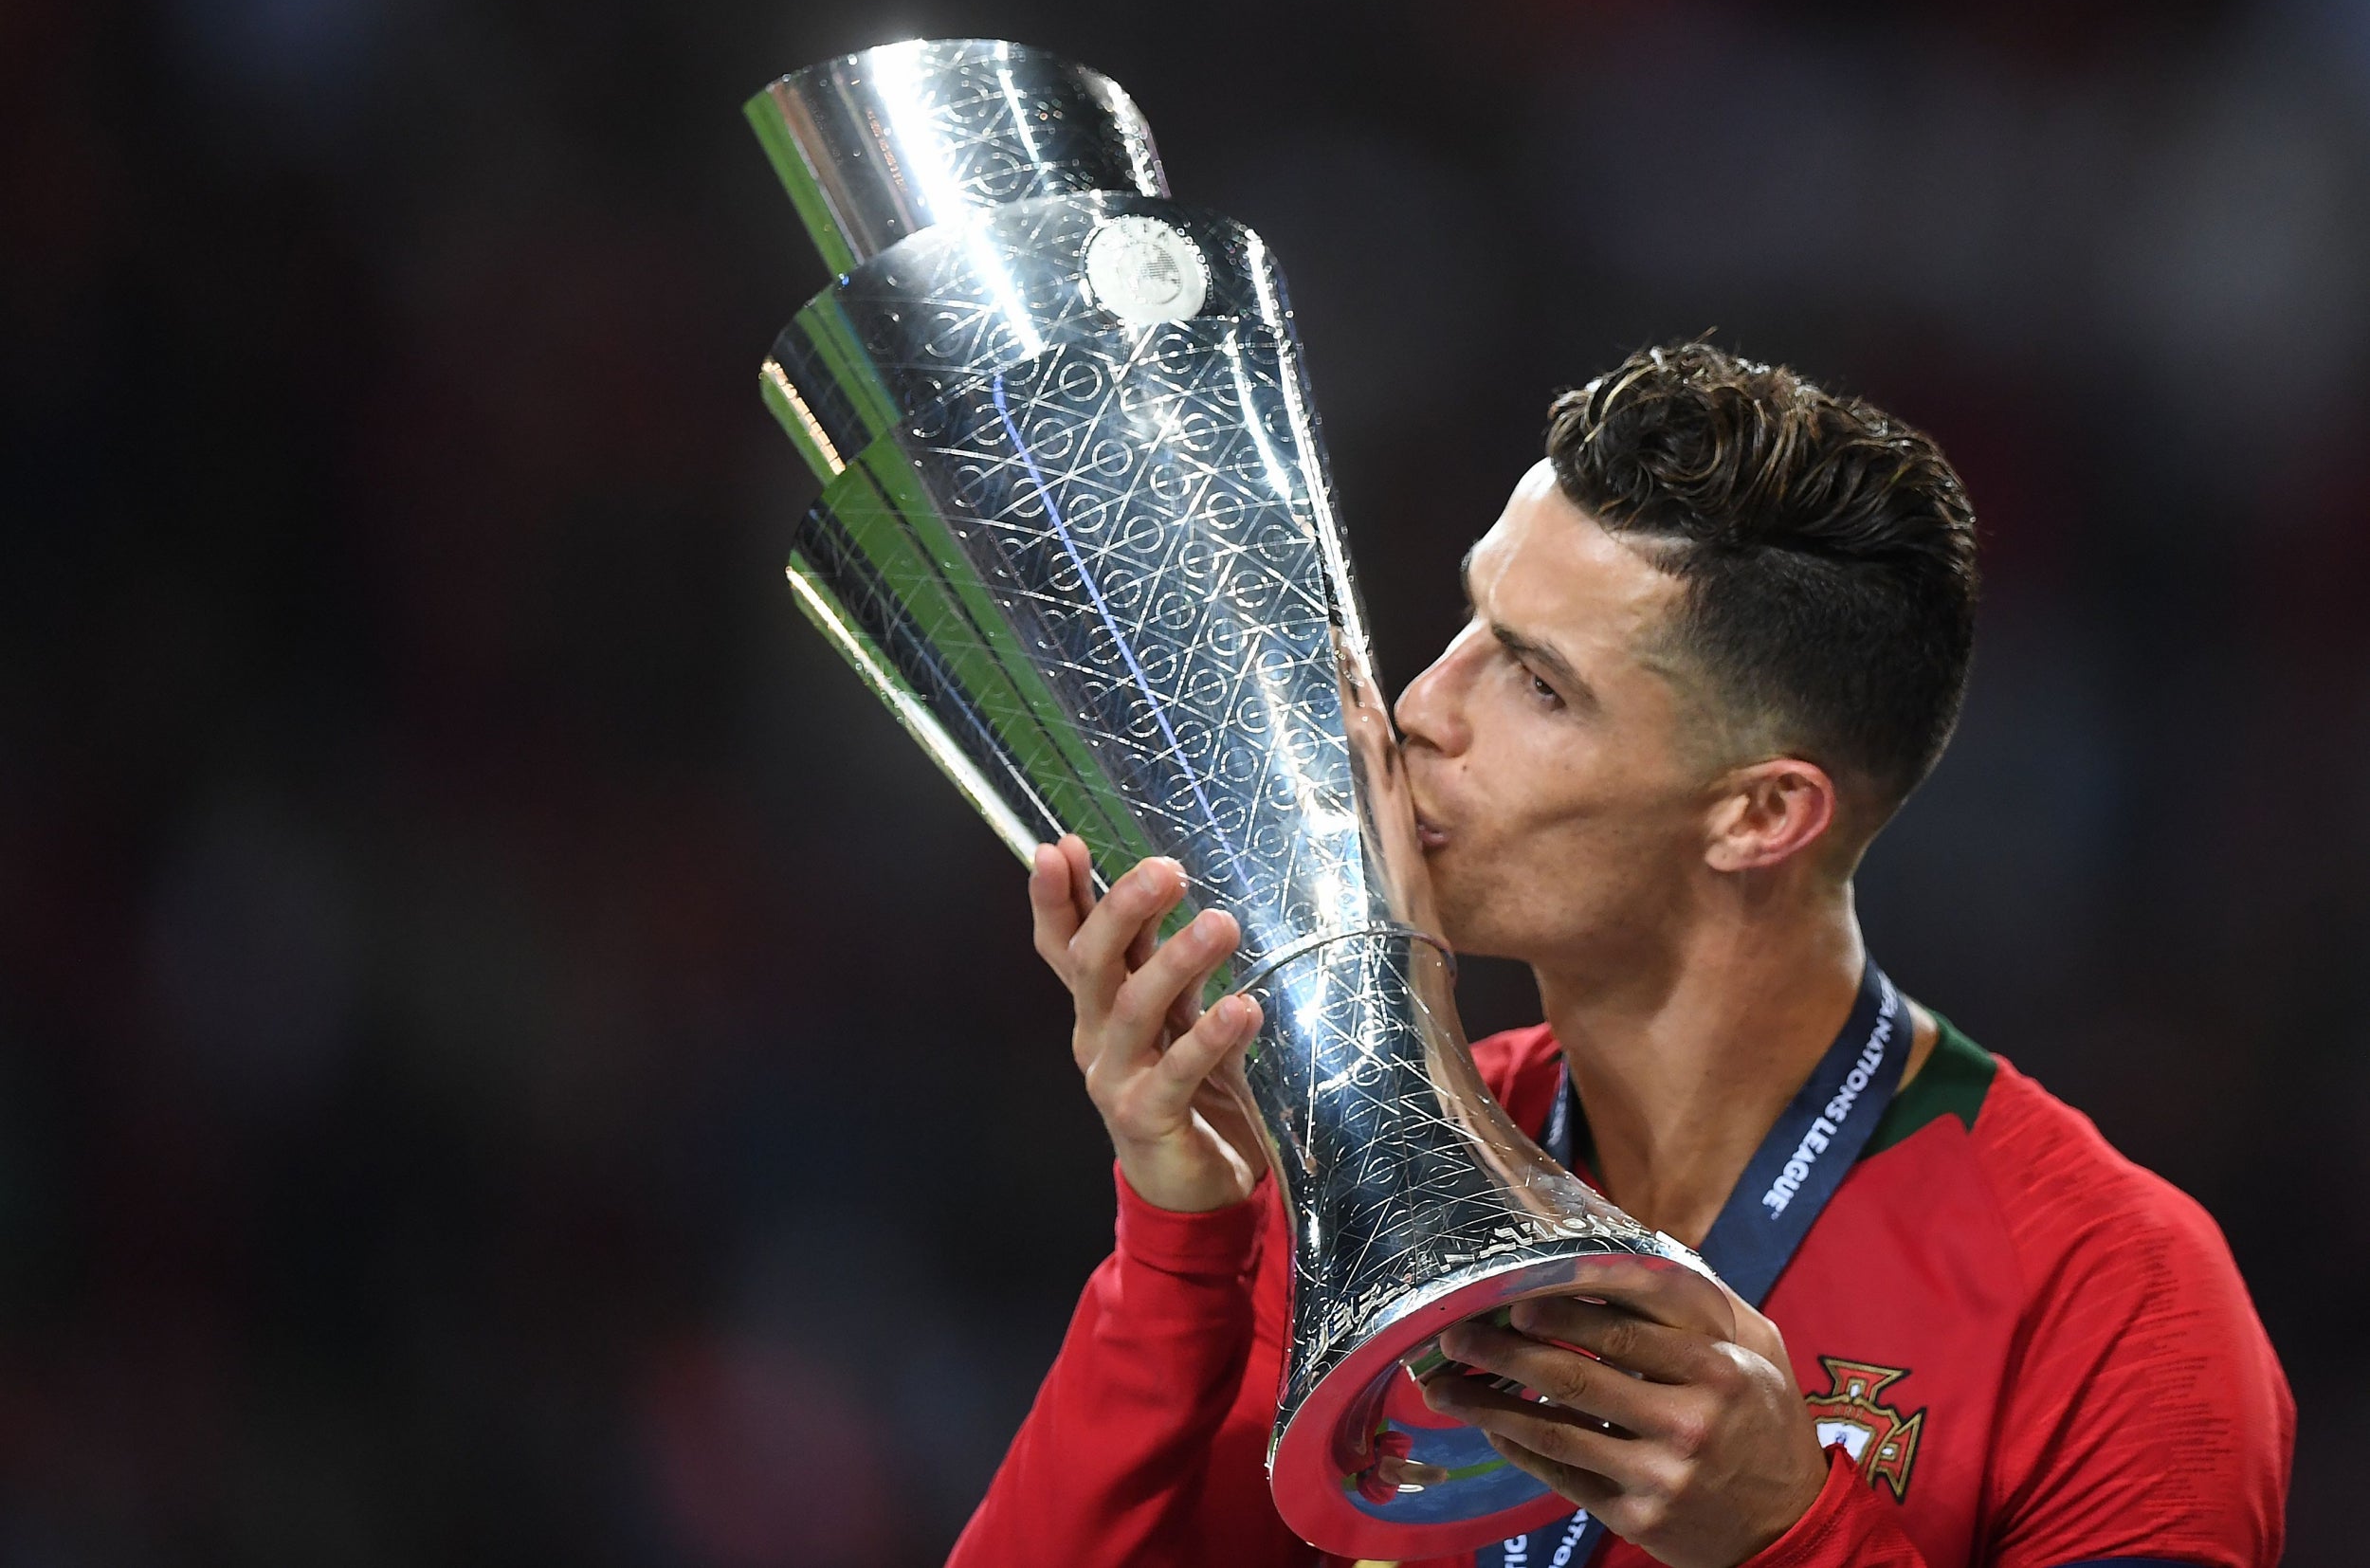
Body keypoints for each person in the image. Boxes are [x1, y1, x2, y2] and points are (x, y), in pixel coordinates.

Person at [945, 342, 2292, 1568]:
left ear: (1762, 815)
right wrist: (1185, 1237)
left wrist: (1786, 1538)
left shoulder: (2118, 1300)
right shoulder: (1360, 1184)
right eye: (1471, 624)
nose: (1420, 708)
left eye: (1537, 683)